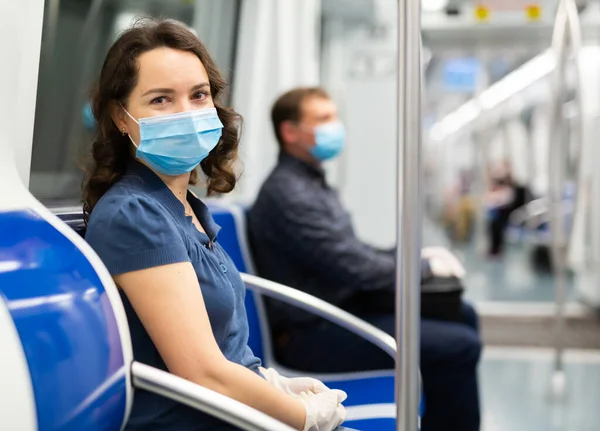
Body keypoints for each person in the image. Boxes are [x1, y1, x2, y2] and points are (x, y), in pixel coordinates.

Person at [83, 19, 346, 431]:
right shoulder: (133, 216)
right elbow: (202, 372)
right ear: (121, 116)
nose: (186, 113)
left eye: (198, 95)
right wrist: (304, 417)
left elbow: (224, 353)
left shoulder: (186, 207)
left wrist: (273, 385)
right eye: (161, 100)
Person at [248, 87, 482, 431]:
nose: (335, 126)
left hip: (341, 310)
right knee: (460, 346)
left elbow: (350, 249)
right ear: (290, 132)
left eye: (334, 117)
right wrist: (422, 268)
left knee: (461, 312)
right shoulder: (289, 193)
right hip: (312, 333)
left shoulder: (308, 183)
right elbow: (353, 266)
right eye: (323, 119)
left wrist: (411, 256)